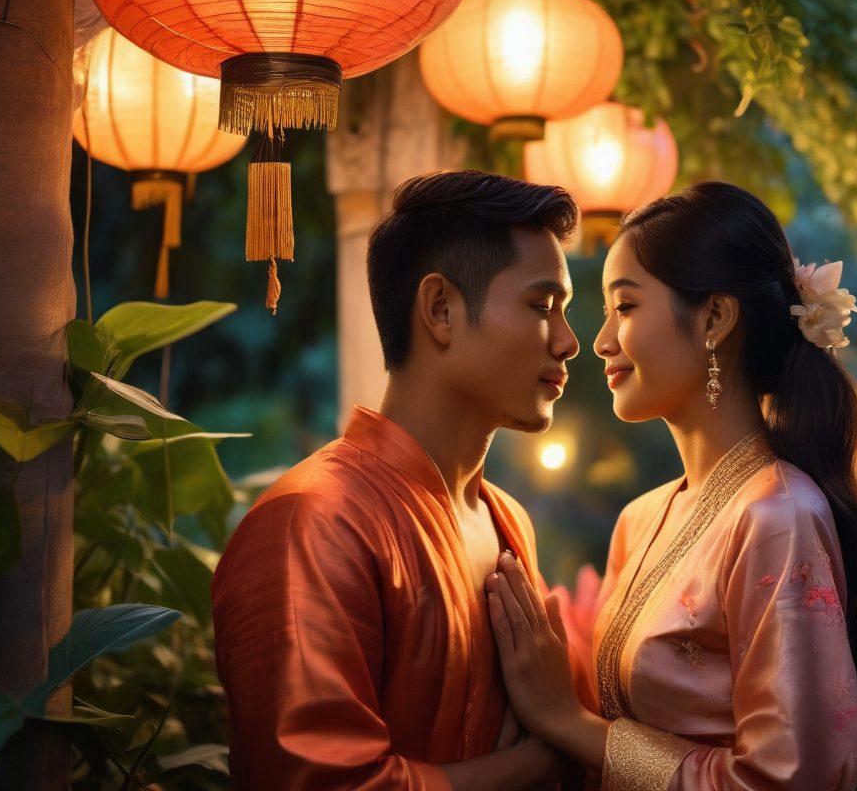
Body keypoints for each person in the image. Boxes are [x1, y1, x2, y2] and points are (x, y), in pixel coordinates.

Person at [483, 182, 857, 791]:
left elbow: (788, 779)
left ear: (714, 319)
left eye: (625, 307)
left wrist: (567, 721)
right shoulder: (640, 518)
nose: (600, 342)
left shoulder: (779, 515)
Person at [212, 170, 582, 790]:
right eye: (542, 306)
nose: (568, 341)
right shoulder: (313, 522)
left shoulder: (507, 520)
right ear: (441, 309)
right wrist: (543, 759)